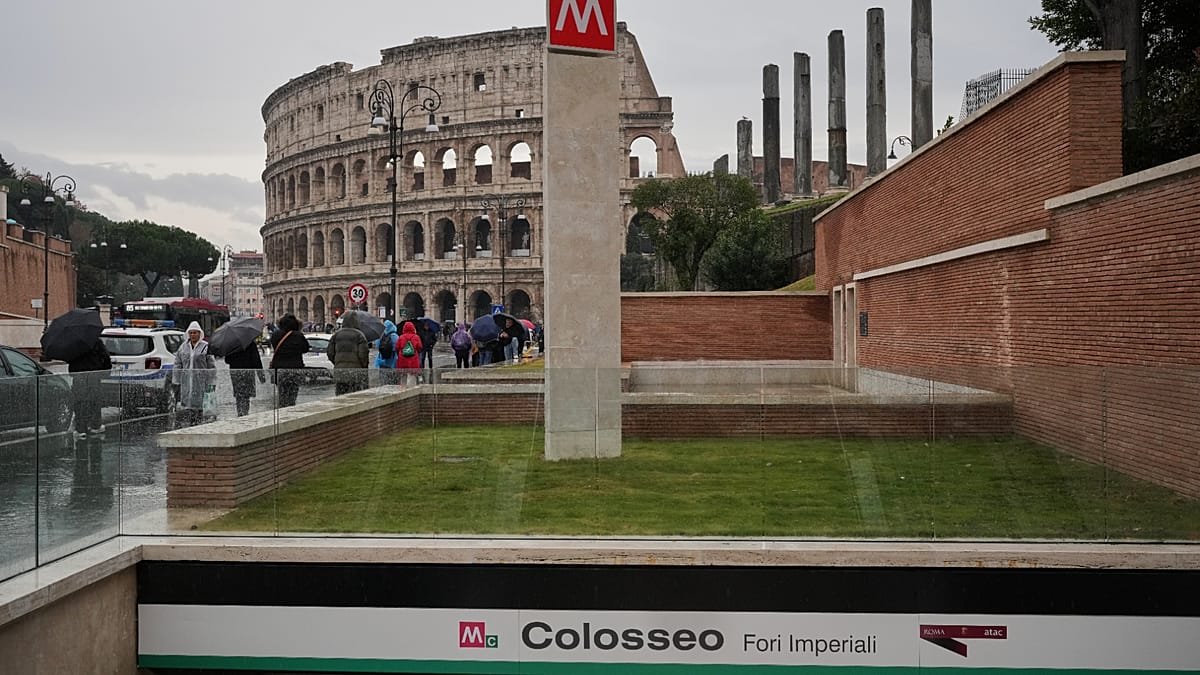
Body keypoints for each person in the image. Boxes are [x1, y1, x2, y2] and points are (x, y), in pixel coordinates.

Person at [67, 335, 111, 439]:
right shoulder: (96, 342)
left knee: (80, 402)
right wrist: (104, 371)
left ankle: (80, 429)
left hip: (79, 378)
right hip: (94, 377)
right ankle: (95, 426)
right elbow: (106, 359)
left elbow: (71, 363)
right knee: (94, 401)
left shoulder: (74, 344)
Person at [174, 321, 216, 427]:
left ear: (199, 333)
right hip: (187, 381)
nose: (193, 335)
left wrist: (211, 382)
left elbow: (211, 366)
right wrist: (177, 380)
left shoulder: (205, 347)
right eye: (191, 333)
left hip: (201, 381)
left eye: (195, 333)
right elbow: (177, 364)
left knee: (200, 405)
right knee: (189, 405)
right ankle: (192, 424)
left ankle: (199, 424)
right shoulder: (183, 347)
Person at [269, 314, 310, 408]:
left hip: (279, 369)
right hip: (294, 369)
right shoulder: (298, 335)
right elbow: (305, 349)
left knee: (282, 394)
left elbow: (274, 346)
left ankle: (282, 410)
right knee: (292, 394)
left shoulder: (276, 334)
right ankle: (290, 409)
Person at [327, 310, 369, 395]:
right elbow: (363, 355)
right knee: (355, 396)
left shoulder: (336, 335)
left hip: (340, 371)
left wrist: (337, 362)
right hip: (356, 372)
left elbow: (330, 353)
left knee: (340, 396)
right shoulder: (360, 335)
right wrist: (363, 366)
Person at [224, 343, 266, 417]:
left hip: (235, 373)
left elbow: (227, 360)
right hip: (248, 372)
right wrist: (261, 375)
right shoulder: (250, 343)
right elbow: (256, 360)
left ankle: (240, 412)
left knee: (239, 395)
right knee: (246, 395)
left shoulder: (231, 344)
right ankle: (245, 413)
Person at [393, 320, 423, 386]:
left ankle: (403, 388)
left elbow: (396, 347)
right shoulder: (416, 337)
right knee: (412, 375)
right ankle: (411, 388)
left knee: (403, 376)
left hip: (402, 359)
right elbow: (420, 347)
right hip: (413, 359)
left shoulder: (401, 337)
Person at [374, 319, 399, 385]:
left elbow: (377, 345)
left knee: (383, 380)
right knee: (393, 380)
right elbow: (398, 347)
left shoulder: (381, 336)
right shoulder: (395, 336)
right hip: (392, 361)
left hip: (381, 360)